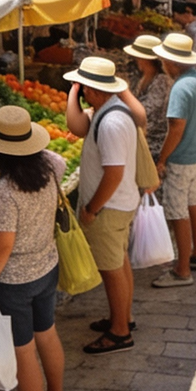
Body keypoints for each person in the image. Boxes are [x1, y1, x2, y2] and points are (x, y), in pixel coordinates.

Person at [0, 105, 69, 391]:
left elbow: (3, 244)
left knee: (24, 351)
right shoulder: (52, 167)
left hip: (15, 281)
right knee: (47, 334)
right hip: (47, 266)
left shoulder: (4, 191)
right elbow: (53, 155)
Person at [63, 57, 140, 355]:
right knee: (119, 263)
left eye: (82, 88)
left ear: (92, 90)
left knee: (112, 270)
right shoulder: (106, 112)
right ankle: (124, 318)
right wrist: (73, 92)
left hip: (110, 208)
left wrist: (92, 209)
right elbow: (77, 125)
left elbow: (114, 172)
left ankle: (119, 332)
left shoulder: (111, 122)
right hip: (119, 204)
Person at [153, 33, 196, 287]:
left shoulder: (180, 87)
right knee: (194, 202)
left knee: (178, 212)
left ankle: (182, 269)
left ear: (172, 63)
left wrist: (162, 159)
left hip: (182, 158)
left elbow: (176, 127)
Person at [124, 35, 171, 157]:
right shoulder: (143, 78)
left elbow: (148, 111)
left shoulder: (161, 81)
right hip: (140, 138)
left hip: (154, 143)